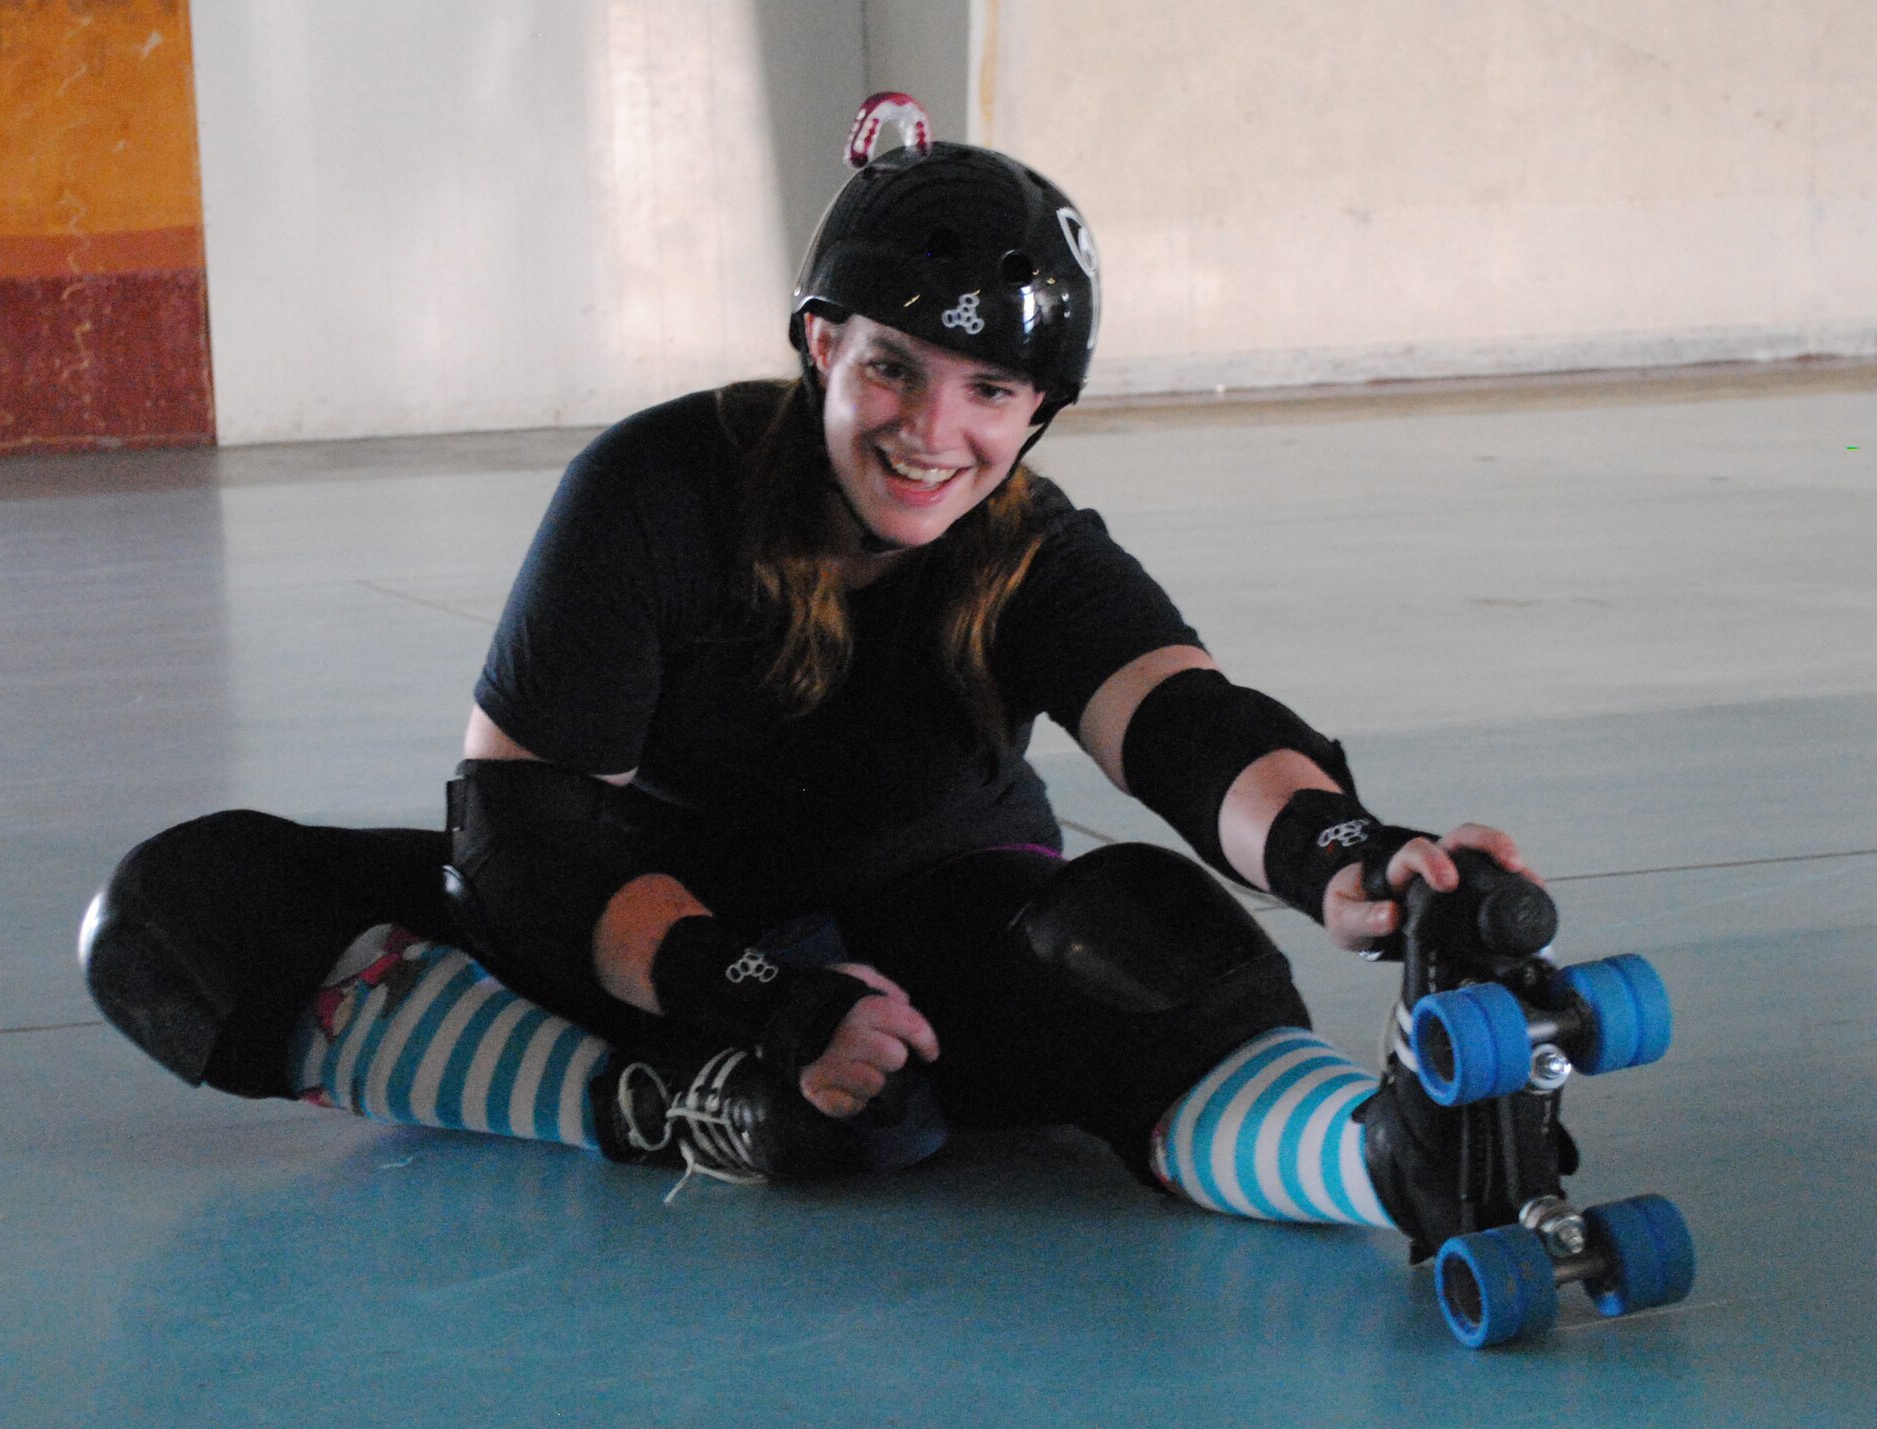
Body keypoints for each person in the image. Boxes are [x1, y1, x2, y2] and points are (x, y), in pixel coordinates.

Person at [81, 95, 1539, 1255]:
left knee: (1149, 936)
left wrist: (1347, 848)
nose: (933, 432)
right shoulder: (654, 490)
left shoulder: (1031, 545)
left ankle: (1382, 1161)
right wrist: (761, 1000)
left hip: (939, 935)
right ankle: (681, 1108)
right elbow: (521, 846)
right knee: (178, 918)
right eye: (894, 368)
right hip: (652, 933)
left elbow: (1185, 726)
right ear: (820, 344)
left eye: (992, 393)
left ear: (1038, 413)